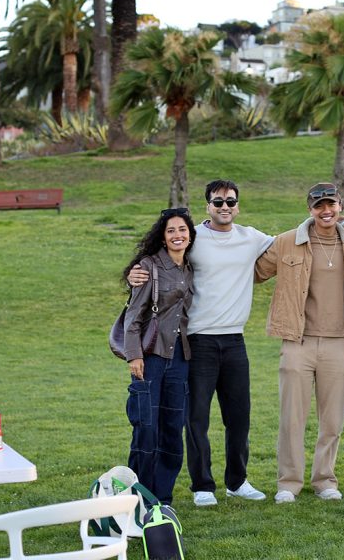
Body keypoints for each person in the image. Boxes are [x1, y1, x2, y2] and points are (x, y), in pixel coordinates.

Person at [129, 180, 273, 507]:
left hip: (235, 339)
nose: (225, 207)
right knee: (196, 418)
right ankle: (202, 485)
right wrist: (132, 274)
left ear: (237, 206)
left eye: (230, 202)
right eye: (218, 202)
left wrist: (328, 223)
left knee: (239, 417)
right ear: (208, 205)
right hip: (197, 340)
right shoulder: (193, 237)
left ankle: (237, 481)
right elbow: (155, 258)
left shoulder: (251, 237)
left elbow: (288, 244)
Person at [254, 183, 344, 504]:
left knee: (332, 419)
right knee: (292, 417)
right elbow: (252, 271)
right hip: (297, 341)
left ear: (340, 206)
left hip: (341, 342)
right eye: (319, 206)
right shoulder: (287, 242)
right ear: (310, 210)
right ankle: (288, 484)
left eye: (330, 204)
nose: (326, 211)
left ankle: (325, 480)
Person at [122, 208, 196, 505]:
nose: (177, 235)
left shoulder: (191, 268)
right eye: (171, 231)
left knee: (171, 429)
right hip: (149, 357)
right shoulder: (148, 267)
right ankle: (138, 494)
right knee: (146, 427)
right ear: (163, 238)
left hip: (180, 358)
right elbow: (133, 317)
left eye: (182, 230)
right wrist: (133, 356)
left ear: (190, 235)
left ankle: (162, 497)